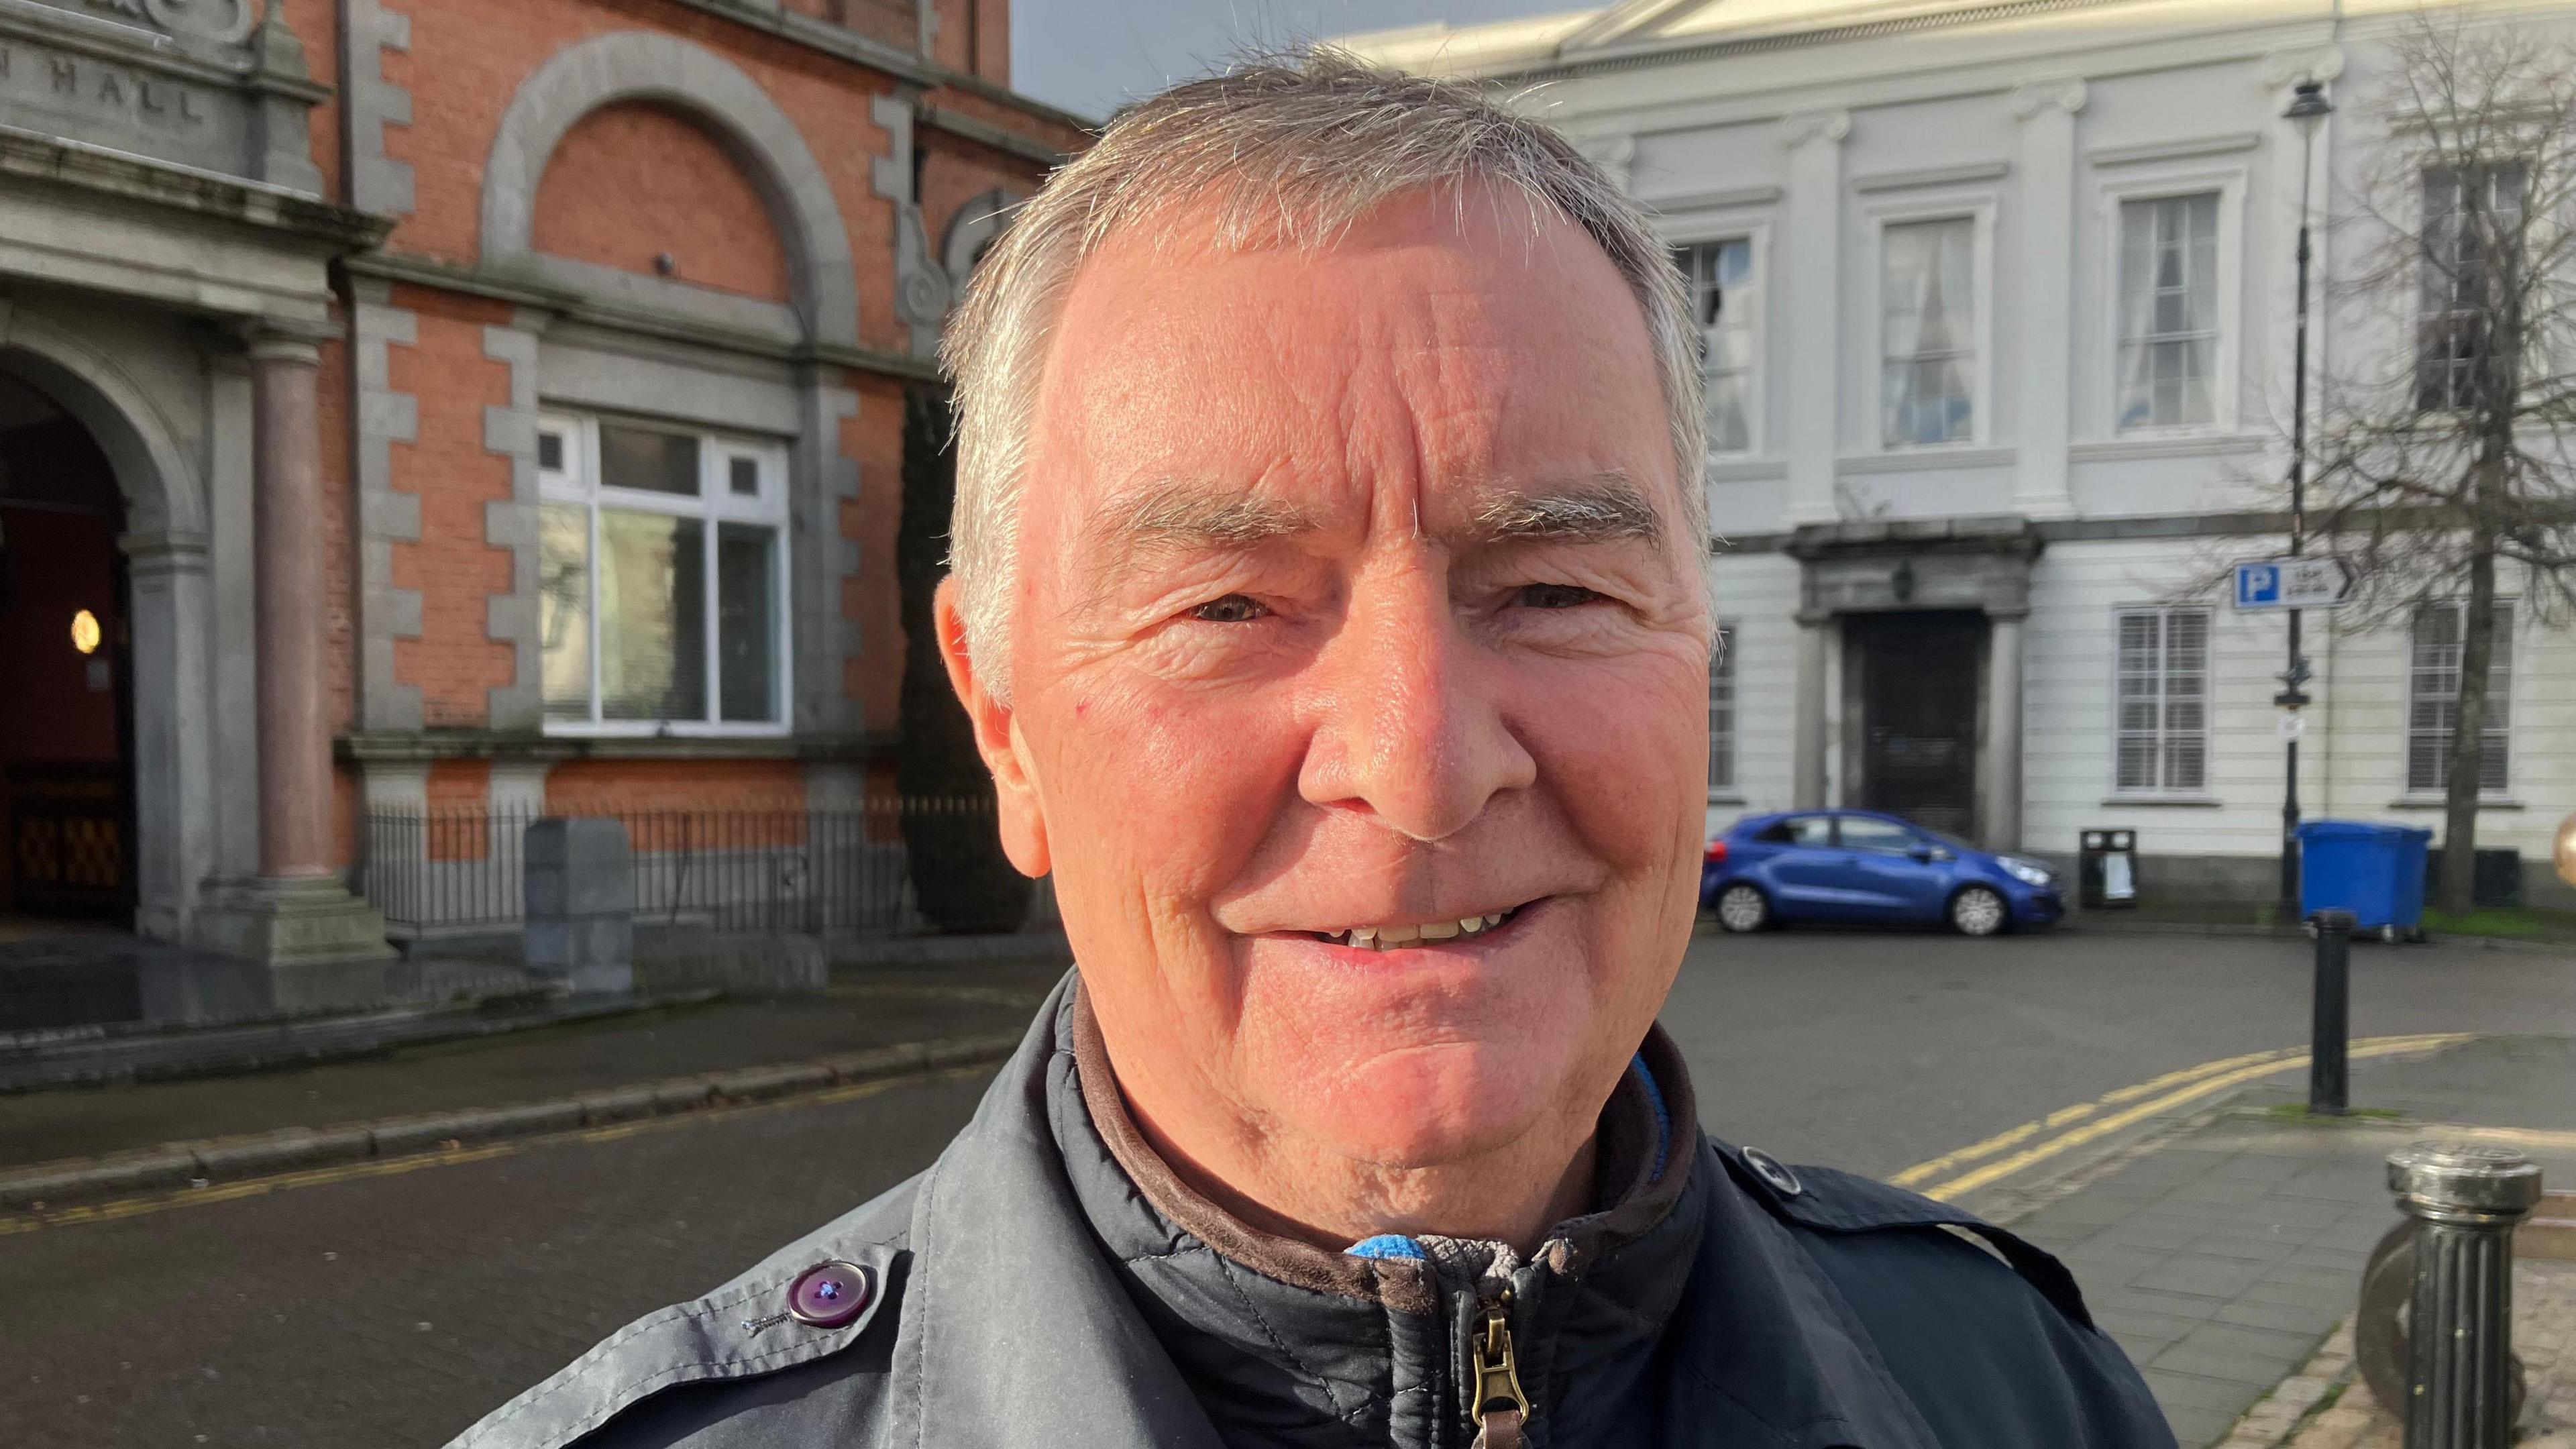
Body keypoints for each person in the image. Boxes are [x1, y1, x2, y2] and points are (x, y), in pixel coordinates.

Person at [450, 54, 2177, 1449]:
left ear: (1696, 647)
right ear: (1004, 723)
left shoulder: (2022, 1386)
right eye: (1226, 607)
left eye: (1558, 585)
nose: (1420, 767)